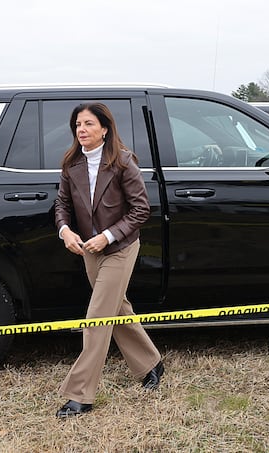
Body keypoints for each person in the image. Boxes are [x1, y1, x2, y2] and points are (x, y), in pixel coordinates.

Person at [54, 102, 164, 418]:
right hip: (90, 250)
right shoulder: (71, 163)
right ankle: (151, 363)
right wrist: (65, 231)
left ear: (104, 129)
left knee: (97, 318)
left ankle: (80, 394)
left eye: (88, 123)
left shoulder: (123, 162)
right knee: (116, 308)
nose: (82, 129)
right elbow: (62, 205)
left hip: (121, 247)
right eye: (78, 124)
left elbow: (141, 210)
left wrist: (109, 236)